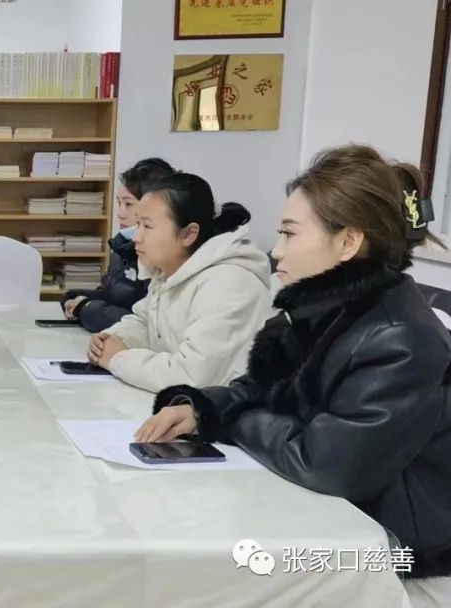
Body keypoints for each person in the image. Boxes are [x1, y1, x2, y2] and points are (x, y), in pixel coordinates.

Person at [135, 145, 451, 606]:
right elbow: (256, 391)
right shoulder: (317, 308)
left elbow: (325, 463)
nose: (276, 250)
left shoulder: (400, 338)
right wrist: (202, 408)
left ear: (348, 242)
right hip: (326, 521)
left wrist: (232, 419)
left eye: (288, 233)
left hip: (397, 557)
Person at [87, 172, 271, 392]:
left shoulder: (229, 284)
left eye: (147, 226)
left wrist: (118, 358)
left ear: (189, 234)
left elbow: (192, 377)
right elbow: (146, 322)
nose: (136, 237)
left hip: (218, 410)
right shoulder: (169, 270)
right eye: (137, 225)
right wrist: (114, 339)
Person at [61, 158, 176, 332]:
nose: (120, 214)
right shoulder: (122, 248)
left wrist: (85, 307)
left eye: (128, 204)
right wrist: (74, 298)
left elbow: (143, 324)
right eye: (119, 203)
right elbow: (109, 295)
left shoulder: (164, 258)